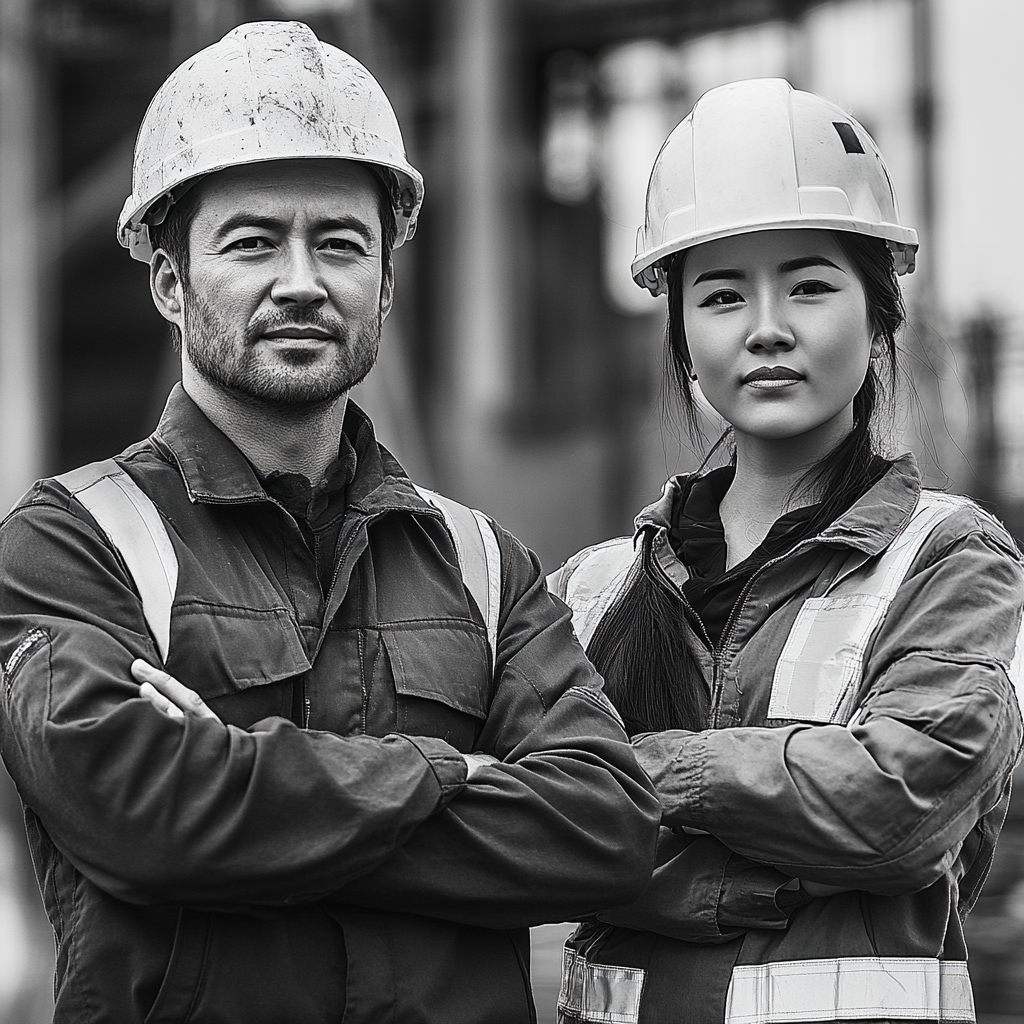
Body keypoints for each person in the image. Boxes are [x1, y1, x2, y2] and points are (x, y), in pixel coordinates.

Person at [0, 21, 661, 1024]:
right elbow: (139, 817)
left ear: (385, 284)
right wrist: (452, 773)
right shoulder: (71, 545)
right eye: (254, 240)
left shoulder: (483, 565)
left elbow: (607, 828)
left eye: (340, 243)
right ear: (169, 280)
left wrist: (237, 786)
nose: (303, 279)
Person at [549, 78, 1024, 1024]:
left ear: (880, 315)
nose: (768, 327)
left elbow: (898, 811)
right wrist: (777, 859)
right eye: (723, 295)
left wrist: (650, 778)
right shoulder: (594, 589)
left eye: (810, 285)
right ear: (681, 334)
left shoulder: (949, 559)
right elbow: (514, 822)